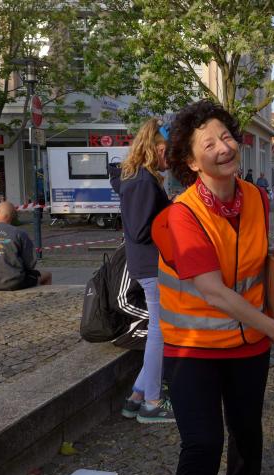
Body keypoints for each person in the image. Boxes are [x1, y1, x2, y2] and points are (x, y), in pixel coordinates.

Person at [151, 100, 274, 475]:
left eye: (226, 136)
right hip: (193, 350)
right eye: (208, 144)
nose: (223, 148)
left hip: (248, 347)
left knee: (246, 429)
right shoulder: (182, 216)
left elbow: (262, 266)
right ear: (191, 161)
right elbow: (212, 290)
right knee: (202, 444)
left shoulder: (257, 198)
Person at [111, 118, 174, 424]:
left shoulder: (138, 177)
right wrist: (172, 214)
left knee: (160, 332)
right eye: (170, 151)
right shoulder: (143, 181)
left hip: (148, 264)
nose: (172, 158)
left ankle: (136, 398)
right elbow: (140, 229)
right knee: (160, 333)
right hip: (152, 265)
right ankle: (152, 402)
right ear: (157, 148)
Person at [0, 202, 50, 290]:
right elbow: (30, 264)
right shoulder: (19, 233)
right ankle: (42, 297)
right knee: (47, 275)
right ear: (13, 216)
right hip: (14, 282)